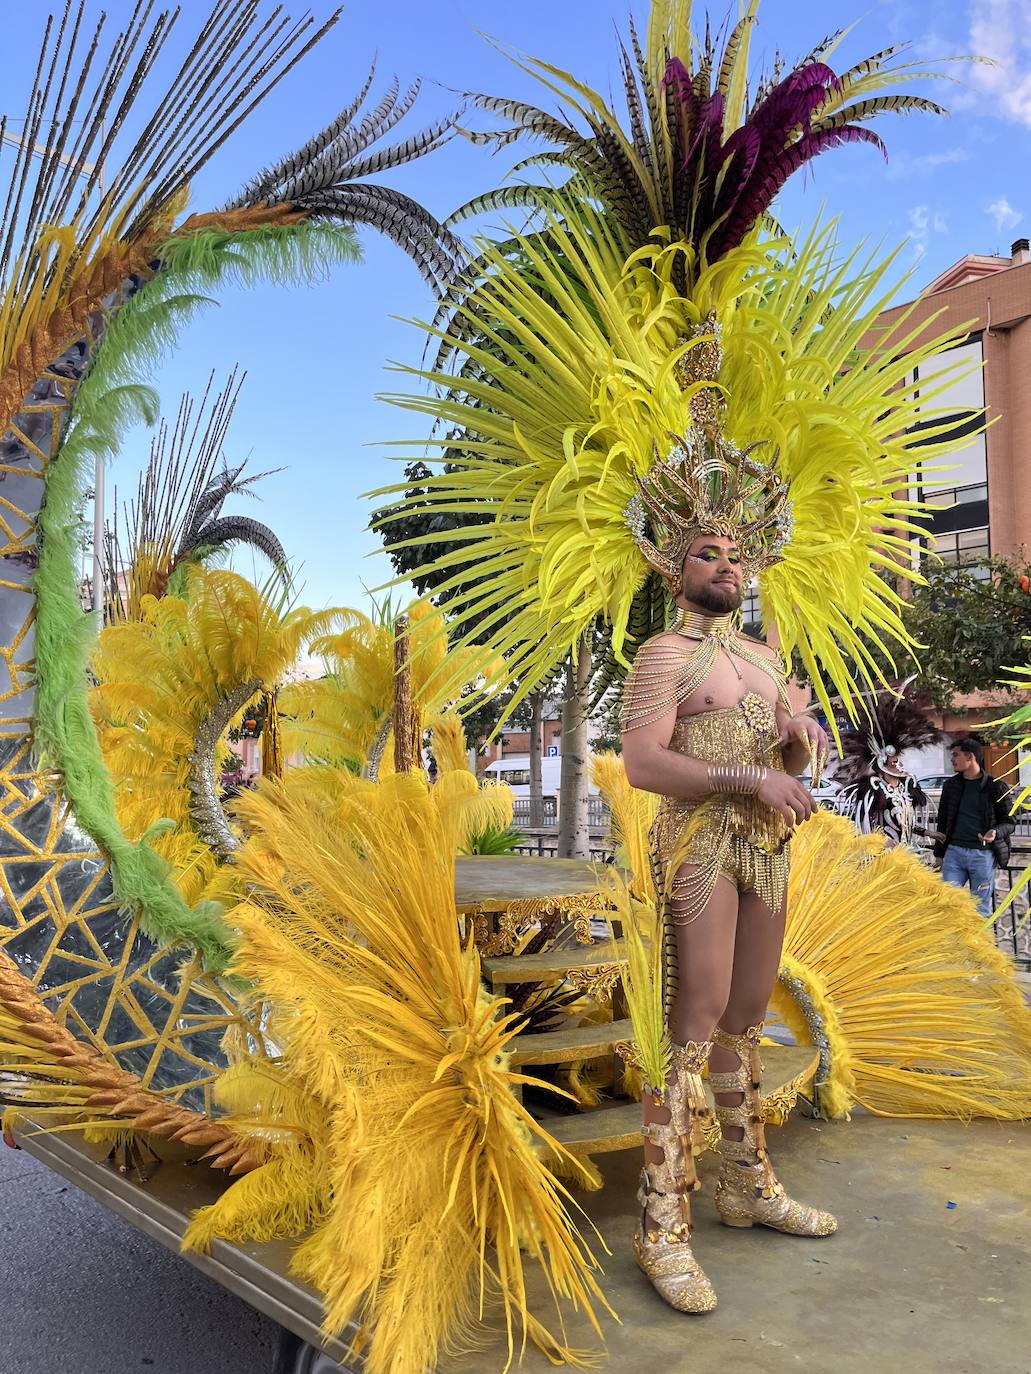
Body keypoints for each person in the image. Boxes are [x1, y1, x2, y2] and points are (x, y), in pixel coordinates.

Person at [618, 325, 837, 1316]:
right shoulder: (667, 656)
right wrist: (749, 782)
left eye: (737, 554)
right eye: (708, 552)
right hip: (701, 846)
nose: (727, 567)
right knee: (692, 1025)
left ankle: (745, 1187)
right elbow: (640, 762)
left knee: (746, 1021)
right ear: (675, 564)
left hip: (764, 854)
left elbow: (797, 756)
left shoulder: (758, 657)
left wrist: (797, 742)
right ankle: (660, 1224)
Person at [932, 737, 1014, 918]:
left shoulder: (997, 787)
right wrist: (939, 855)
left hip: (983, 856)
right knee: (947, 905)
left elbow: (1010, 822)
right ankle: (953, 946)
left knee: (980, 910)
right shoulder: (950, 786)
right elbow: (943, 822)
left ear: (970, 757)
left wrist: (995, 832)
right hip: (954, 854)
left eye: (955, 755)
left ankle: (978, 945)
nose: (952, 760)